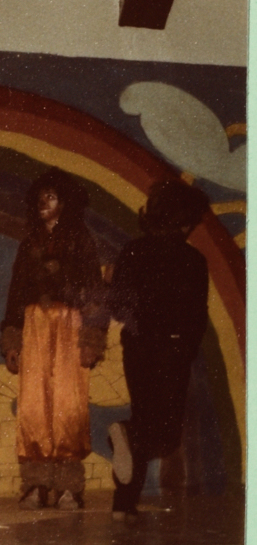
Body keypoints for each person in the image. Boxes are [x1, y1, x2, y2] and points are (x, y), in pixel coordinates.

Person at [0, 168, 107, 510]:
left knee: (68, 406)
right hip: (34, 327)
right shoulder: (30, 242)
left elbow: (94, 291)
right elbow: (16, 294)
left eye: (51, 197)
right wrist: (13, 341)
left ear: (66, 202)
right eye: (40, 197)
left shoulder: (81, 239)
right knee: (33, 407)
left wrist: (91, 339)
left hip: (69, 326)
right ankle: (36, 484)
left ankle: (69, 486)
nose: (42, 203)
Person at [106, 179, 209, 524]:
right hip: (173, 348)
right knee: (163, 434)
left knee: (144, 417)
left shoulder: (133, 250)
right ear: (184, 221)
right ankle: (126, 436)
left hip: (138, 346)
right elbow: (197, 314)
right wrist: (187, 347)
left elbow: (117, 304)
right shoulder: (193, 259)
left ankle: (124, 504)